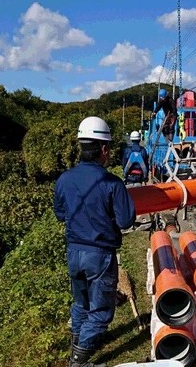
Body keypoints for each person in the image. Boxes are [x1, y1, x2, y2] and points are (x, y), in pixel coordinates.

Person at [54, 116, 136, 367]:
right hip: (99, 255)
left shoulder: (64, 179)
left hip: (74, 252)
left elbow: (60, 213)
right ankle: (79, 361)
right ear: (103, 148)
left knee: (81, 303)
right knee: (100, 311)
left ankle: (76, 348)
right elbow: (125, 221)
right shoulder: (112, 183)